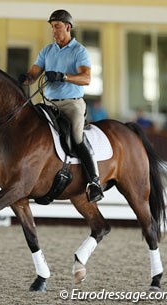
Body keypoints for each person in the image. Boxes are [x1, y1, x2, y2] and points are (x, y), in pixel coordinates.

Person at [19, 9, 103, 202]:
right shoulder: (47, 51)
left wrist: (63, 76)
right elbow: (33, 75)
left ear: (68, 27)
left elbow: (86, 78)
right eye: (52, 27)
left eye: (57, 27)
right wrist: (25, 79)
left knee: (76, 137)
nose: (54, 31)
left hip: (71, 104)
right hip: (48, 103)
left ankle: (94, 182)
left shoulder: (79, 51)